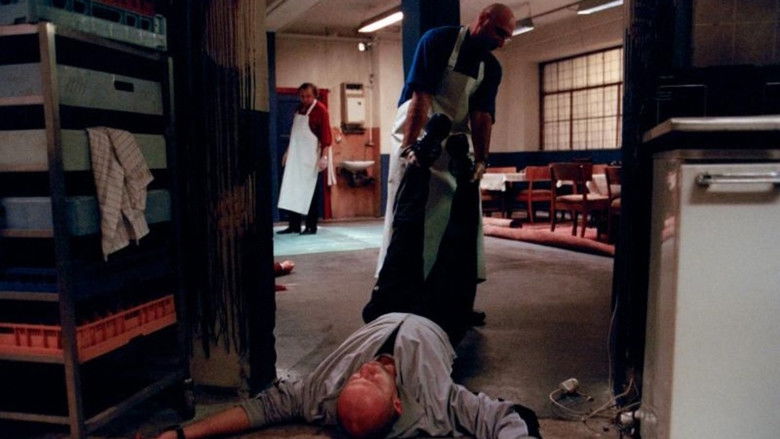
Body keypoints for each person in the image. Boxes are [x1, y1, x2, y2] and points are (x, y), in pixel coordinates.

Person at [154, 313, 540, 439]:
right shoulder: (438, 403)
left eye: (357, 379)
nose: (366, 370)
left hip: (383, 313)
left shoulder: (320, 392)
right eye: (370, 380)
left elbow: (259, 409)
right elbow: (506, 418)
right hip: (435, 324)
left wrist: (181, 434)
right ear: (397, 403)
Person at [372, 4, 515, 335]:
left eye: (507, 37)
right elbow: (421, 97)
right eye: (499, 33)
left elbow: (482, 117)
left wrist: (482, 161)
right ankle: (395, 293)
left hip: (454, 139)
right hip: (416, 129)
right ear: (482, 21)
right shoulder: (438, 41)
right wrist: (410, 149)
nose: (502, 42)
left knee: (461, 216)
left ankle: (453, 298)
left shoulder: (491, 67)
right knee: (409, 211)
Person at [277, 83, 332, 235]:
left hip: (310, 158)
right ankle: (293, 225)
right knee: (292, 189)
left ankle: (311, 226)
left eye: (308, 96)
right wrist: (287, 152)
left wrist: (324, 156)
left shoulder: (320, 110)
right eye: (302, 96)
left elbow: (326, 136)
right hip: (295, 156)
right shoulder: (298, 109)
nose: (305, 99)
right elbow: (294, 135)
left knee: (310, 192)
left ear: (315, 95)